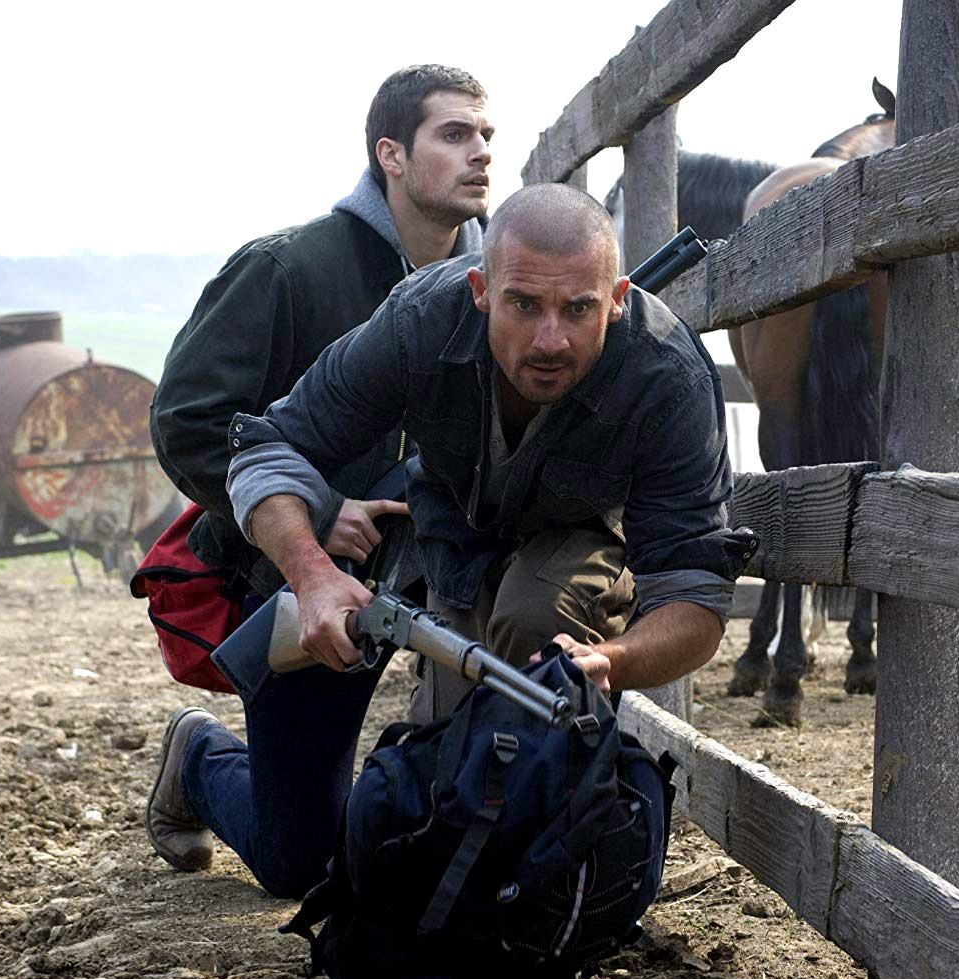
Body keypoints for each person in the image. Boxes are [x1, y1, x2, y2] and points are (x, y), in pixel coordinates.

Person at [147, 182, 755, 898]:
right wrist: (311, 575)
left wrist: (606, 663)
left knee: (510, 734)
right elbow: (268, 445)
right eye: (523, 304)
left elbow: (695, 590)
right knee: (309, 858)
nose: (549, 339)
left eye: (578, 309)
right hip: (426, 546)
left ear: (617, 298)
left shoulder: (665, 375)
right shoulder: (417, 318)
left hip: (574, 542)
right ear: (479, 290)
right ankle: (200, 756)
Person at [144, 64, 493, 894]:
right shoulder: (286, 270)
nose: (481, 153)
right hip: (310, 591)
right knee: (300, 864)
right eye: (454, 134)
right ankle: (198, 757)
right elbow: (187, 422)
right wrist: (318, 508)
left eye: (486, 136)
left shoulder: (506, 289)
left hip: (453, 584)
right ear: (391, 156)